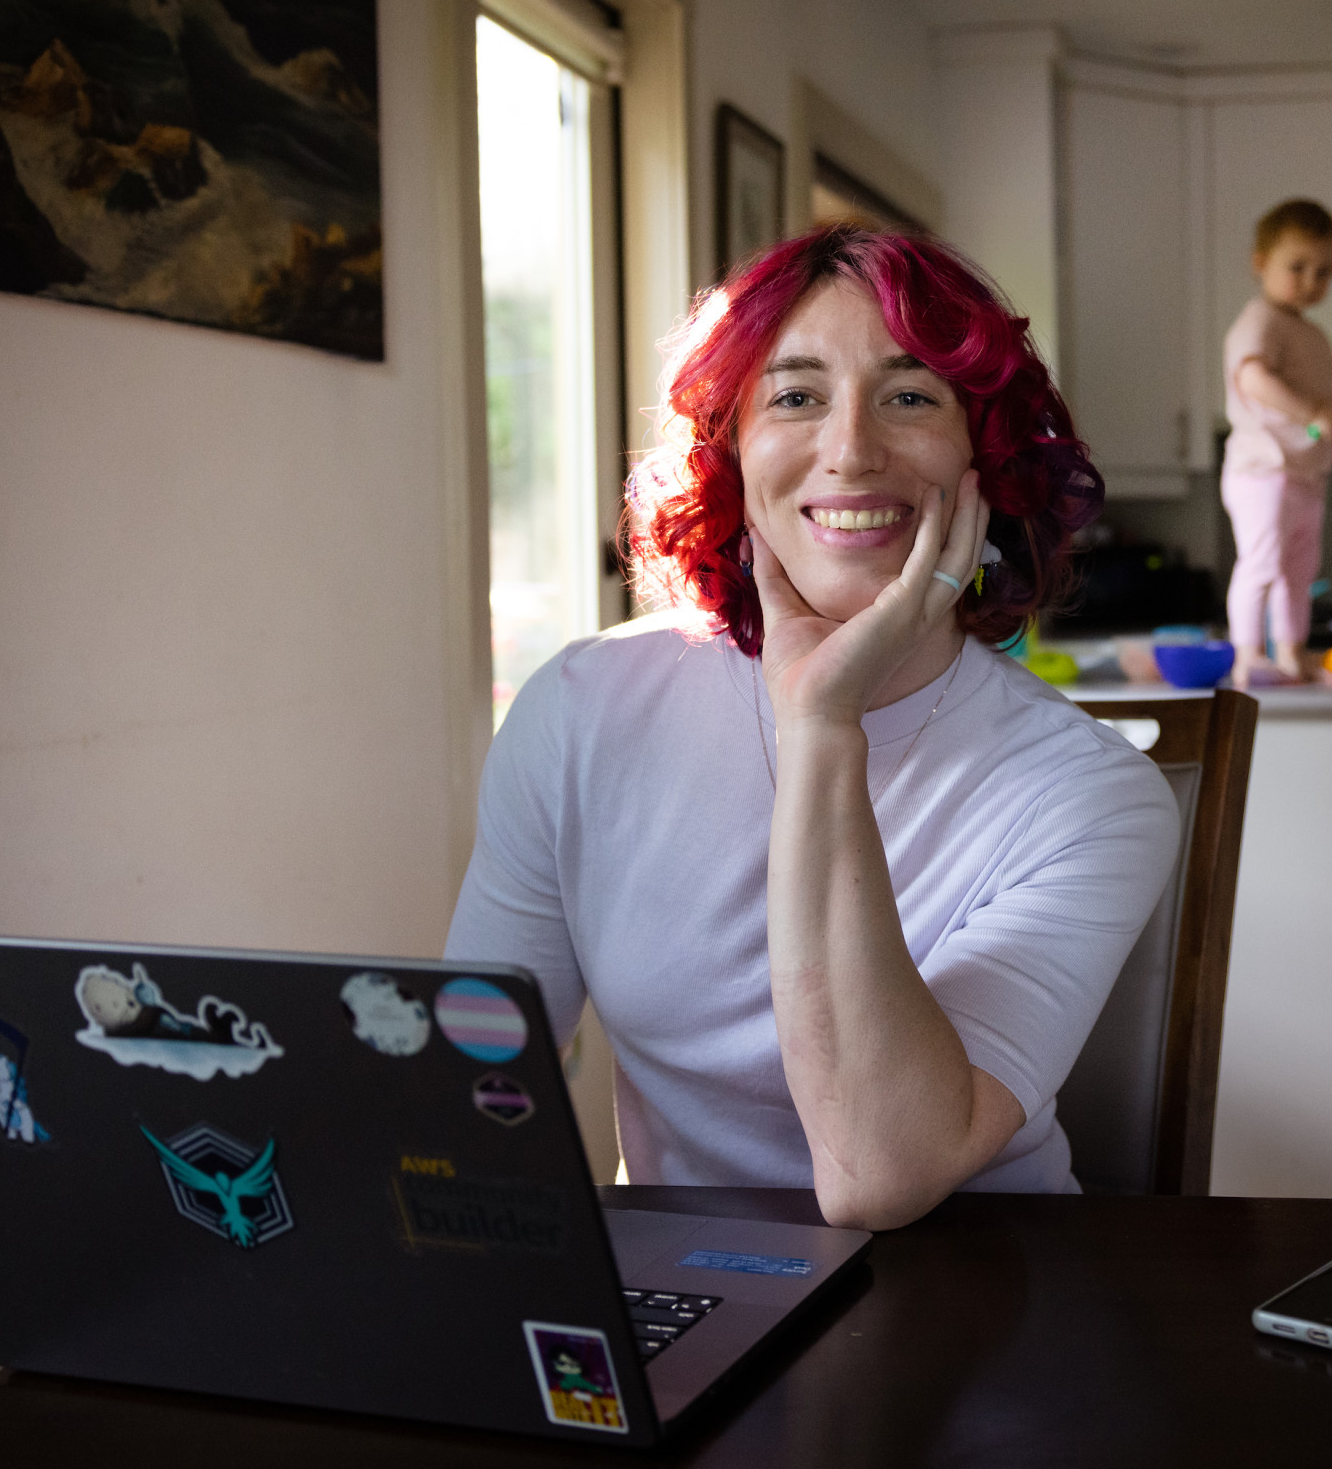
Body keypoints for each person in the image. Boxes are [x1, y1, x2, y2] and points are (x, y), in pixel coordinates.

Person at [446, 225, 1180, 1229]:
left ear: (985, 460)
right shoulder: (582, 708)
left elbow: (880, 1173)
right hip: (690, 1294)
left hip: (984, 1296)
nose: (852, 449)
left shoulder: (1090, 791)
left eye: (910, 395)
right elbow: (478, 1063)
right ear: (730, 450)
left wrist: (824, 721)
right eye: (796, 395)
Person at [1220, 199, 1332, 685]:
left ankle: (1291, 653)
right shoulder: (1259, 321)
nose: (1310, 281)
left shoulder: (1311, 335)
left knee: (1298, 573)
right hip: (1264, 471)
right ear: (1260, 264)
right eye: (1296, 267)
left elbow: (1331, 393)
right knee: (1260, 564)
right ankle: (1247, 655)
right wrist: (1313, 414)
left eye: (1323, 272)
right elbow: (1253, 379)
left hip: (1303, 476)